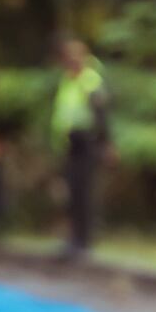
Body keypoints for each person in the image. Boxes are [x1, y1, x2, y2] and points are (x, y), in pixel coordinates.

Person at [51, 39, 107, 255]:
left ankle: (85, 241)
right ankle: (73, 239)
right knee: (72, 191)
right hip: (70, 143)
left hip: (87, 142)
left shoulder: (90, 80)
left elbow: (101, 114)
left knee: (85, 192)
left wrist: (104, 143)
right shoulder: (67, 80)